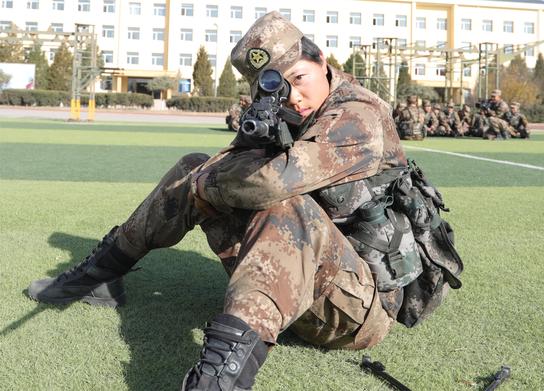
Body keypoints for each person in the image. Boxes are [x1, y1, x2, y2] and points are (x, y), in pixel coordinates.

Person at [27, 12, 463, 391]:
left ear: (323, 62)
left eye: (299, 79)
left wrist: (207, 185)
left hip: (355, 308)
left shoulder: (360, 115)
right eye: (275, 89)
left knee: (277, 201)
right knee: (193, 165)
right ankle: (103, 274)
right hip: (300, 284)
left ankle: (222, 378)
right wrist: (234, 155)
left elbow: (271, 183)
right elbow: (222, 167)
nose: (292, 97)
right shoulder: (282, 111)